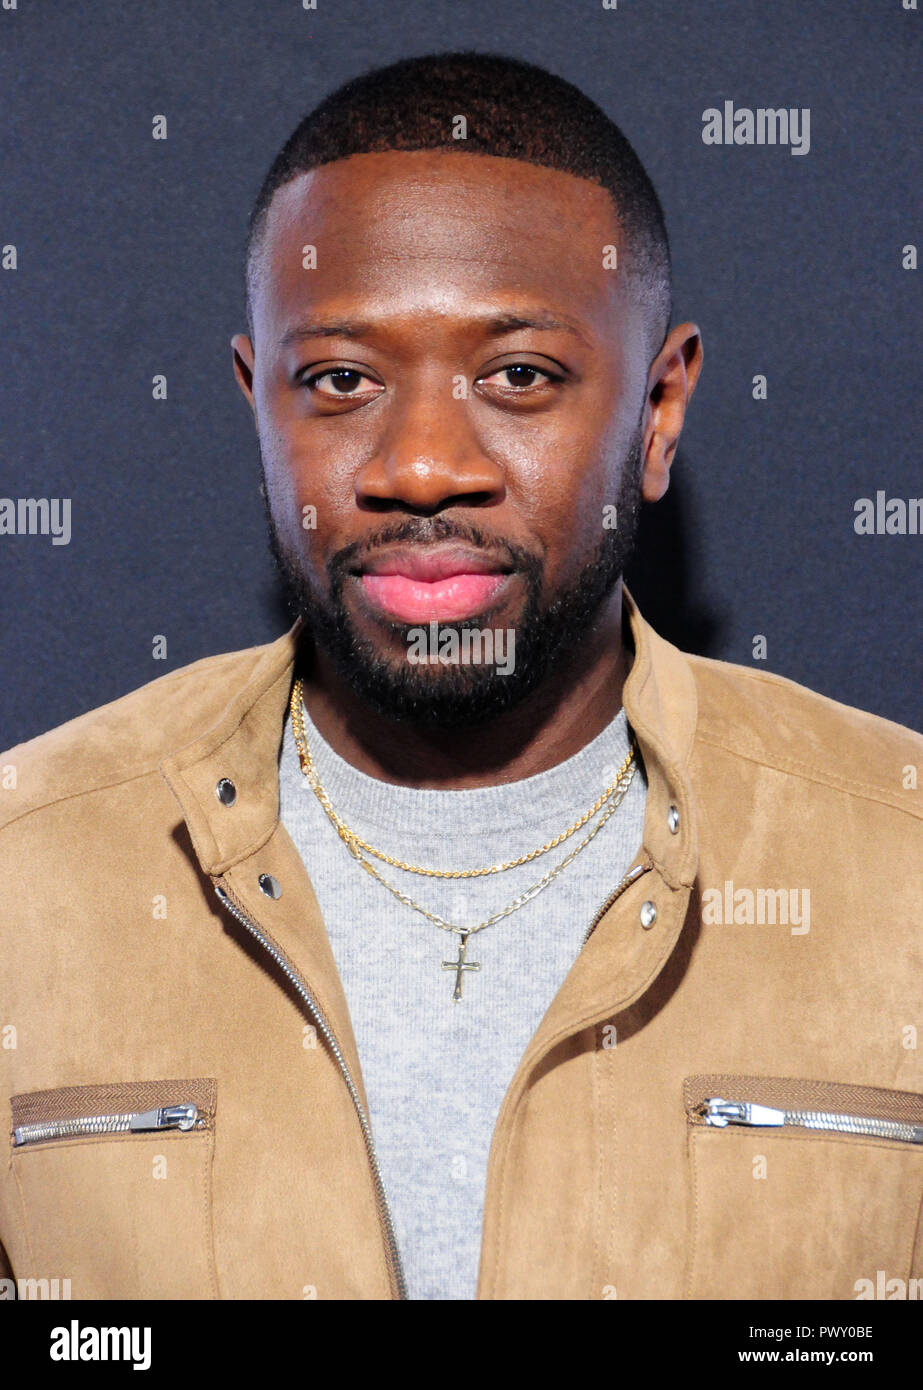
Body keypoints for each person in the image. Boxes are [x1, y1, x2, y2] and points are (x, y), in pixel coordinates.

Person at [1, 52, 919, 1303]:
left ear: (657, 412)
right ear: (254, 406)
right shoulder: (24, 872)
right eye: (340, 380)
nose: (423, 466)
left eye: (518, 377)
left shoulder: (900, 861)